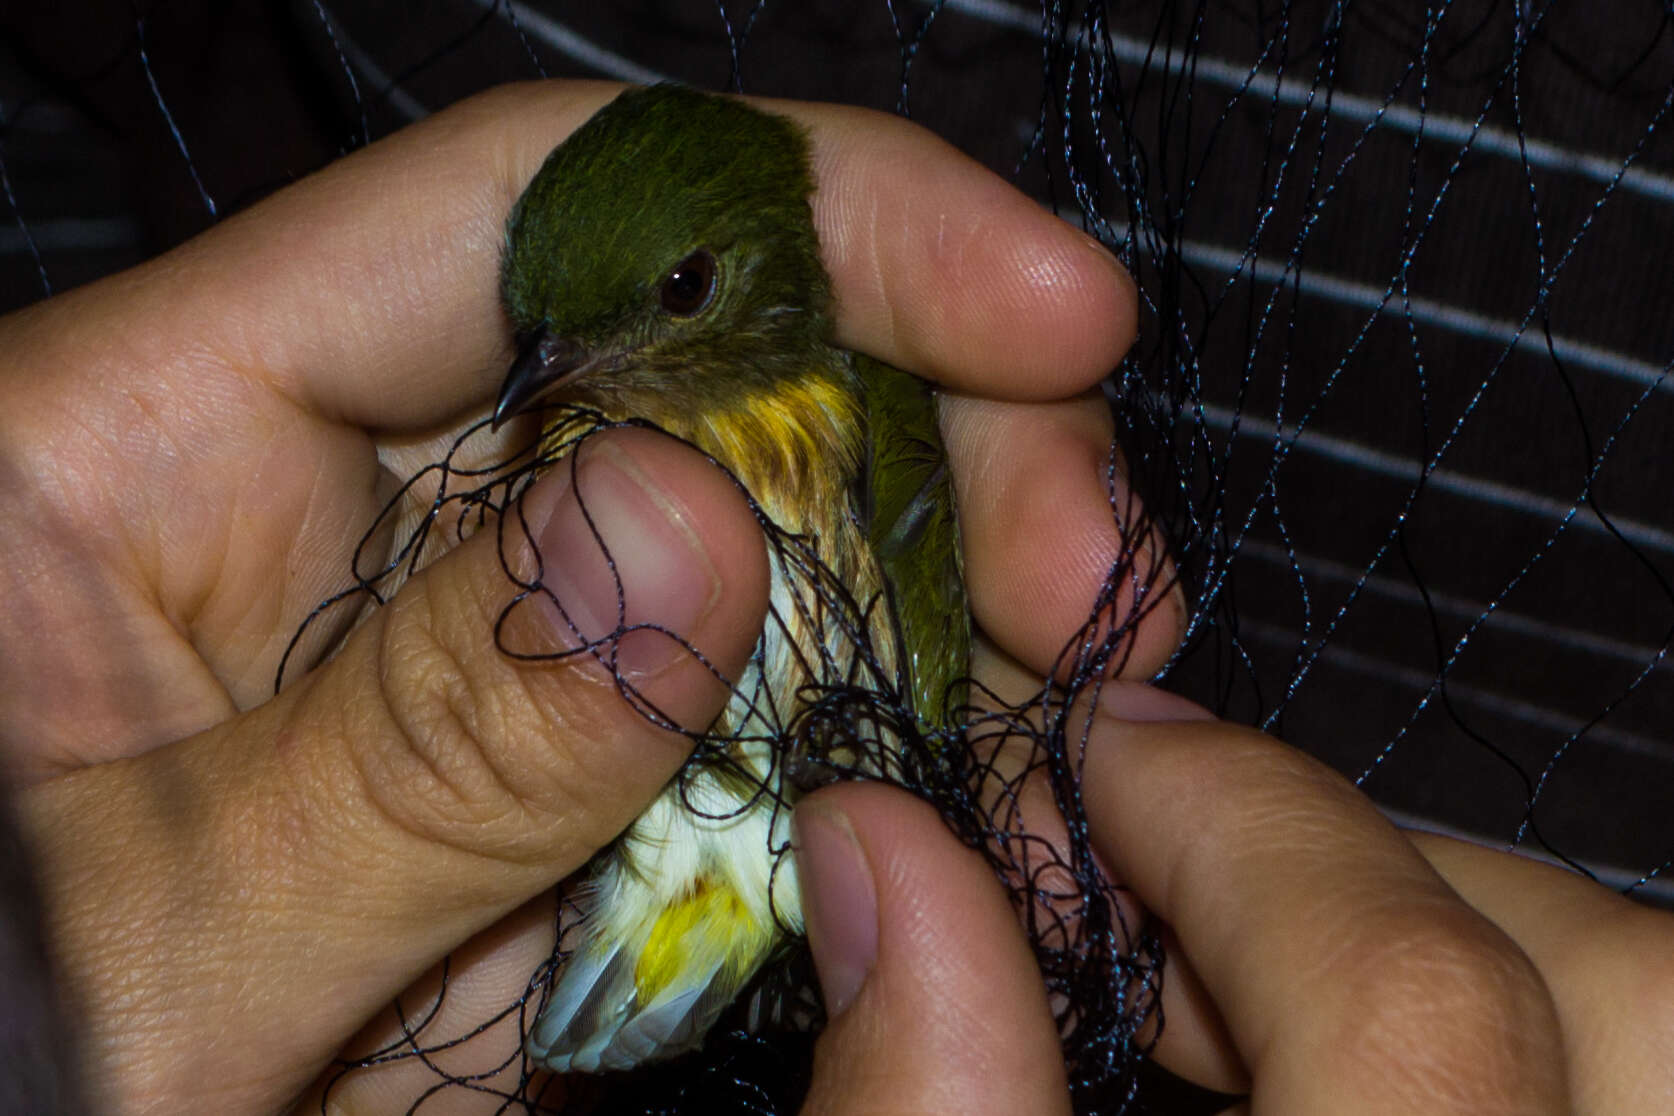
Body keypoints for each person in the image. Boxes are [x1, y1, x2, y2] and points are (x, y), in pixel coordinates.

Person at [0, 81, 1665, 1115]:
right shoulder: (574, 438)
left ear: (753, 277)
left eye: (672, 295)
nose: (561, 373)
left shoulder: (841, 429)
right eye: (551, 336)